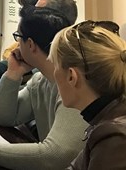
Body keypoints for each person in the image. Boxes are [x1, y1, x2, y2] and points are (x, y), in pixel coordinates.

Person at [0, 5, 88, 169]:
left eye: (18, 37)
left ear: (31, 45)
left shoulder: (74, 87)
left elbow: (53, 156)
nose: (16, 44)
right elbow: (6, 117)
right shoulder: (41, 80)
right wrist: (13, 74)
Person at [49, 20, 125, 169]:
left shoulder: (114, 137)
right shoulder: (106, 119)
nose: (54, 73)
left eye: (56, 65)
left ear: (72, 76)